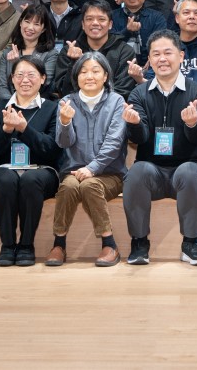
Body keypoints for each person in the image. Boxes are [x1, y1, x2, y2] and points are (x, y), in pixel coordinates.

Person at [123, 31, 197, 266]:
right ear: (149, 60)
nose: (162, 59)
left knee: (189, 171)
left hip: (188, 171)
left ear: (181, 56)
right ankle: (139, 243)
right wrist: (134, 124)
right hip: (152, 172)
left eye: (168, 53)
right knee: (137, 171)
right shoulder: (139, 93)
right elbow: (139, 138)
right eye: (156, 54)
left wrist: (192, 124)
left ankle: (191, 244)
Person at [49, 53, 128, 267]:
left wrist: (92, 169)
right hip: (74, 171)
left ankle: (109, 244)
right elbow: (63, 143)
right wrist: (65, 122)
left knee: (90, 185)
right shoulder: (67, 102)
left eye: (95, 71)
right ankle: (59, 244)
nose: (89, 76)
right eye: (83, 72)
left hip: (110, 173)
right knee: (68, 187)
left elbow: (114, 143)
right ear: (76, 77)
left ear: (105, 76)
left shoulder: (116, 101)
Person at [0, 55, 60, 267]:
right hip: (4, 169)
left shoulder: (52, 108)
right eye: (19, 75)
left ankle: (26, 245)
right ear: (12, 79)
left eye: (31, 75)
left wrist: (24, 129)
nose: (25, 80)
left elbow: (52, 149)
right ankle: (8, 246)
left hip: (42, 170)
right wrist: (6, 130)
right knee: (6, 179)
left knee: (30, 179)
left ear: (43, 78)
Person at [55, 0, 137, 99]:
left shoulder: (124, 51)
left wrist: (95, 102)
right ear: (83, 24)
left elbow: (123, 90)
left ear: (110, 24)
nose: (95, 23)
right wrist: (74, 63)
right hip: (76, 106)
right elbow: (64, 91)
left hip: (112, 107)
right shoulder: (69, 51)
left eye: (101, 19)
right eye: (89, 19)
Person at [0, 4, 58, 101]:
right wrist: (12, 103)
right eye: (27, 22)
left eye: (36, 24)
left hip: (38, 105)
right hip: (9, 105)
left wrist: (17, 63)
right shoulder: (7, 53)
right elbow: (1, 87)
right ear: (20, 23)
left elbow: (44, 84)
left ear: (43, 29)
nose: (30, 27)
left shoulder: (50, 54)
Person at [110, 0, 167, 66]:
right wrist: (127, 31)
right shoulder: (112, 16)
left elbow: (160, 45)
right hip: (117, 68)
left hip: (149, 68)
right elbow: (109, 44)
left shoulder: (157, 17)